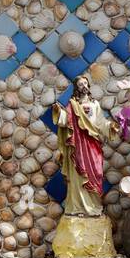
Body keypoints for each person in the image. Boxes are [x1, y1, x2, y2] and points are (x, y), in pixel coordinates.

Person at [51, 76, 111, 218]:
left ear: (88, 85)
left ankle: (94, 206)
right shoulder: (72, 105)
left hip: (92, 144)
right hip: (78, 145)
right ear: (76, 88)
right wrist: (59, 113)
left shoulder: (95, 104)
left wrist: (110, 127)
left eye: (85, 83)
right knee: (78, 176)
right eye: (80, 84)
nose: (84, 86)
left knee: (94, 173)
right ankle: (77, 207)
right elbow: (66, 120)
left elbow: (101, 122)